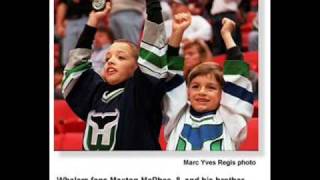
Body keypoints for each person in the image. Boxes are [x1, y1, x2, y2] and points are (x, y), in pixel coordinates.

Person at [61, 0, 188, 150]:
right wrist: (93, 20)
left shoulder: (140, 92)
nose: (111, 61)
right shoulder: (95, 92)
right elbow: (75, 69)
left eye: (121, 57)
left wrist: (153, 4)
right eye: (107, 58)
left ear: (137, 66)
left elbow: (154, 54)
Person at [165, 17, 254, 151]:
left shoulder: (230, 118)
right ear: (187, 91)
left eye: (211, 87)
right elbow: (171, 72)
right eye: (195, 86)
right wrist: (177, 33)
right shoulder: (177, 115)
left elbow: (237, 72)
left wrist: (226, 34)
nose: (202, 92)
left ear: (224, 93)